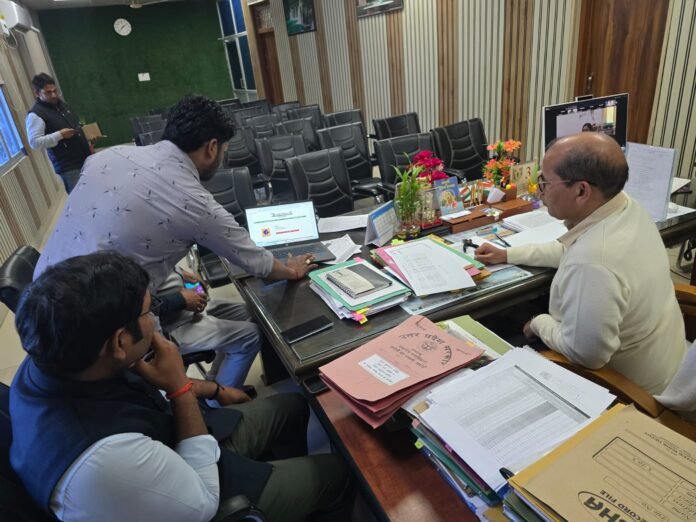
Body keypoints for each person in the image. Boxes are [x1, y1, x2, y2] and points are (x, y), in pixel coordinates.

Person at [10, 252, 352, 522]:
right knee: (338, 474)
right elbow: (204, 502)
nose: (155, 319)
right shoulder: (103, 461)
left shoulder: (56, 355)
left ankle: (286, 493)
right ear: (120, 342)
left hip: (168, 443)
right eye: (150, 311)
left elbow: (146, 390)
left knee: (293, 406)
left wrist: (213, 390)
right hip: (198, 495)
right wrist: (179, 388)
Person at [34, 95, 317, 394]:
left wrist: (178, 272)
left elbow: (122, 237)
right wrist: (291, 270)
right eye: (223, 150)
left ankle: (213, 386)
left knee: (249, 313)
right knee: (248, 335)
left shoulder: (105, 157)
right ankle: (216, 401)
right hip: (103, 334)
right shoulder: (194, 201)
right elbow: (256, 262)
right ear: (211, 147)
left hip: (45, 303)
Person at [475, 132, 685, 395]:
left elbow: (587, 355)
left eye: (544, 182)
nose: (539, 190)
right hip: (666, 362)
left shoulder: (594, 262)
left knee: (494, 344)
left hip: (633, 395)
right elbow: (568, 249)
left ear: (581, 191)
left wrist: (538, 323)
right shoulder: (625, 207)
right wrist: (507, 254)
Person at [25, 73, 91, 193]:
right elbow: (34, 142)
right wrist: (59, 135)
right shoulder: (35, 115)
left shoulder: (63, 105)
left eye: (55, 91)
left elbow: (76, 127)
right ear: (37, 93)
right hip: (69, 167)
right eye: (48, 92)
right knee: (80, 199)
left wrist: (88, 143)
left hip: (86, 158)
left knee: (93, 194)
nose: (54, 95)